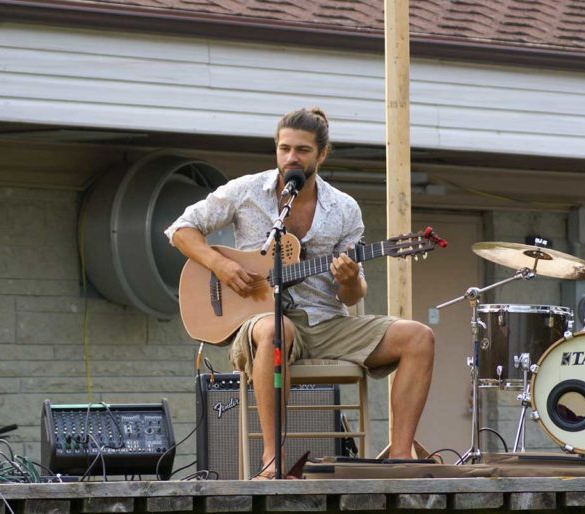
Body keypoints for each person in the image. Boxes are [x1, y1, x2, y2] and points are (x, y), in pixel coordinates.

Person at [165, 107, 434, 479]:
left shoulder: (343, 208)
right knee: (278, 331)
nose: (291, 157)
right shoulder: (246, 191)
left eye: (303, 150)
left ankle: (401, 454)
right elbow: (181, 230)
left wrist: (350, 277)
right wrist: (221, 265)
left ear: (322, 154)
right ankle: (272, 460)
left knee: (419, 337)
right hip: (260, 321)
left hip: (326, 322)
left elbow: (351, 296)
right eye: (284, 148)